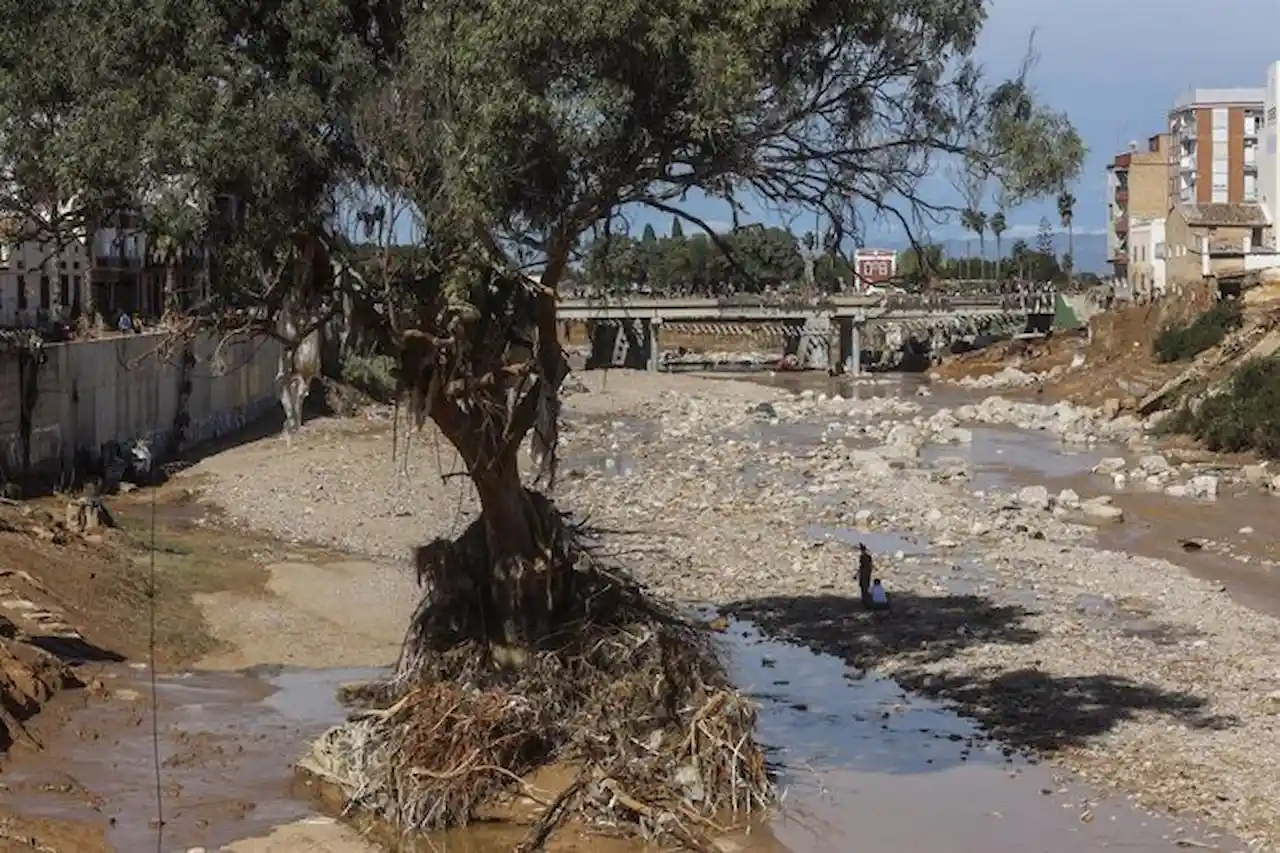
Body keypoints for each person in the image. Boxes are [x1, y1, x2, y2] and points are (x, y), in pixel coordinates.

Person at [857, 543, 873, 608]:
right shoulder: (869, 557)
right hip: (868, 573)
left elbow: (861, 566)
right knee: (866, 586)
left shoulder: (862, 557)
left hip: (863, 573)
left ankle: (864, 601)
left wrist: (857, 574)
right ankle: (866, 601)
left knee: (863, 587)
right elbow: (871, 566)